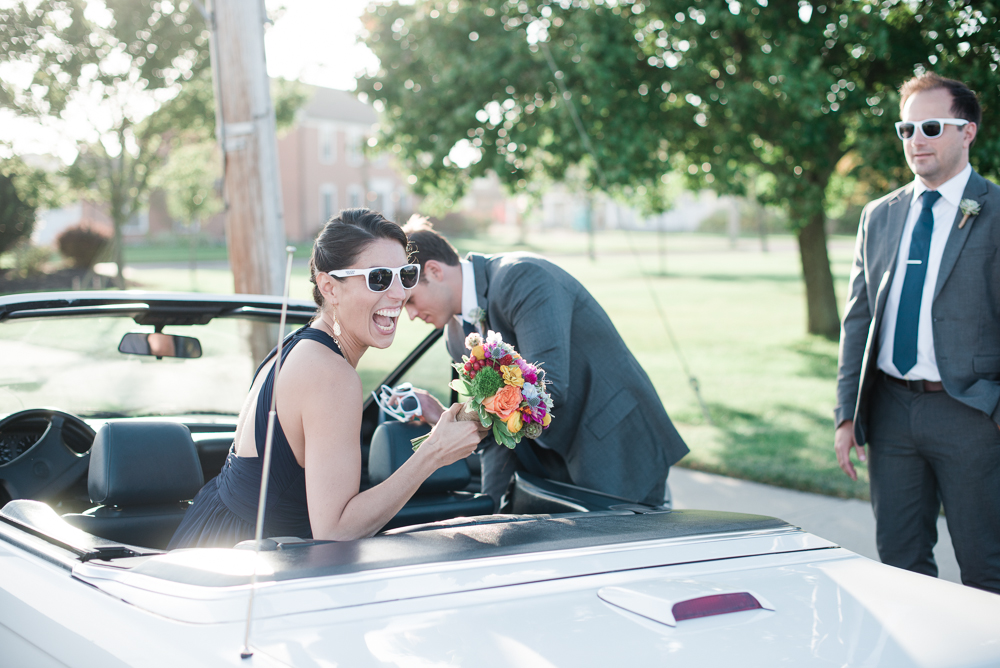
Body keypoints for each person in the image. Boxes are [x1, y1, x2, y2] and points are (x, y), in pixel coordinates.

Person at [168, 209, 485, 548]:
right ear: (329, 287)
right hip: (250, 563)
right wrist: (434, 452)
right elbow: (335, 531)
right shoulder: (331, 375)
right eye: (379, 278)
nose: (398, 294)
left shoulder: (294, 348)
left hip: (212, 537)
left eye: (405, 275)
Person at [834, 73, 1000, 593]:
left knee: (985, 567)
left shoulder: (996, 212)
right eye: (906, 128)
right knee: (900, 565)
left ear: (967, 131)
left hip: (971, 415)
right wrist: (846, 415)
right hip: (890, 415)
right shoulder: (878, 216)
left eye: (930, 126)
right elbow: (857, 318)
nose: (916, 140)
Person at [399, 217, 689, 510]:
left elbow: (547, 387)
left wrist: (452, 417)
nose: (410, 315)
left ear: (434, 271)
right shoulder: (455, 334)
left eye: (409, 301)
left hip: (616, 443)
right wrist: (489, 509)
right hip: (556, 459)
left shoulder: (520, 277)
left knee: (630, 550)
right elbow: (499, 430)